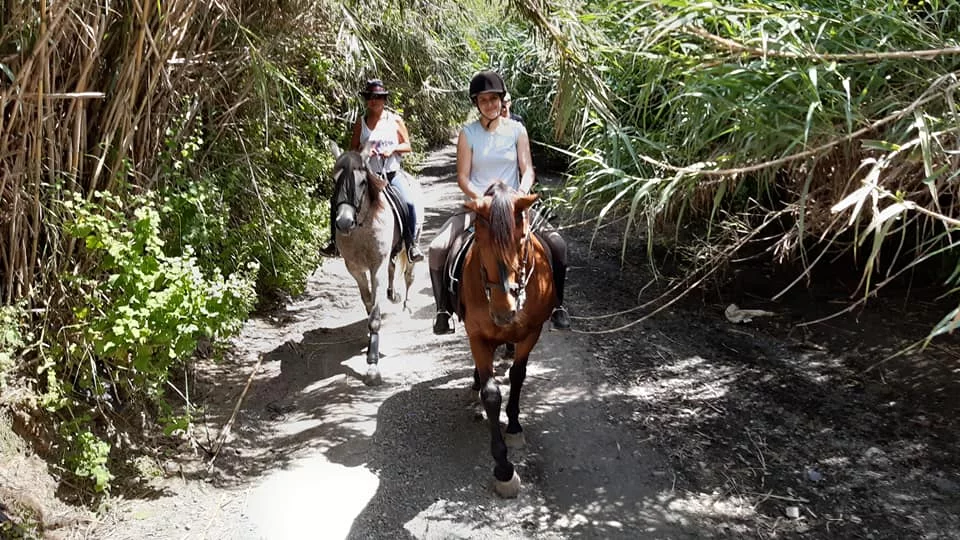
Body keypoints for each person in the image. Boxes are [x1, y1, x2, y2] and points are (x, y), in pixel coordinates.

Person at [428, 71, 571, 334]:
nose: (490, 104)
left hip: (513, 206)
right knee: (437, 248)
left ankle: (558, 307)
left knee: (558, 245)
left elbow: (527, 169)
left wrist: (521, 194)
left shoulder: (517, 130)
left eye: (494, 99)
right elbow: (462, 177)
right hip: (480, 206)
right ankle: (443, 311)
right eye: (483, 100)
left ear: (501, 100)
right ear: (476, 104)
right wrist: (479, 199)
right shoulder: (468, 133)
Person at [321, 79, 424, 262]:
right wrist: (364, 151)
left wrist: (391, 150)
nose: (373, 101)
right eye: (369, 97)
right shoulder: (361, 123)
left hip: (390, 175)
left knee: (408, 202)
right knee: (337, 200)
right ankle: (334, 243)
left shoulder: (395, 120)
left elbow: (407, 145)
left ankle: (411, 245)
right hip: (365, 177)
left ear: (384, 99)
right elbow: (353, 151)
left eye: (377, 97)